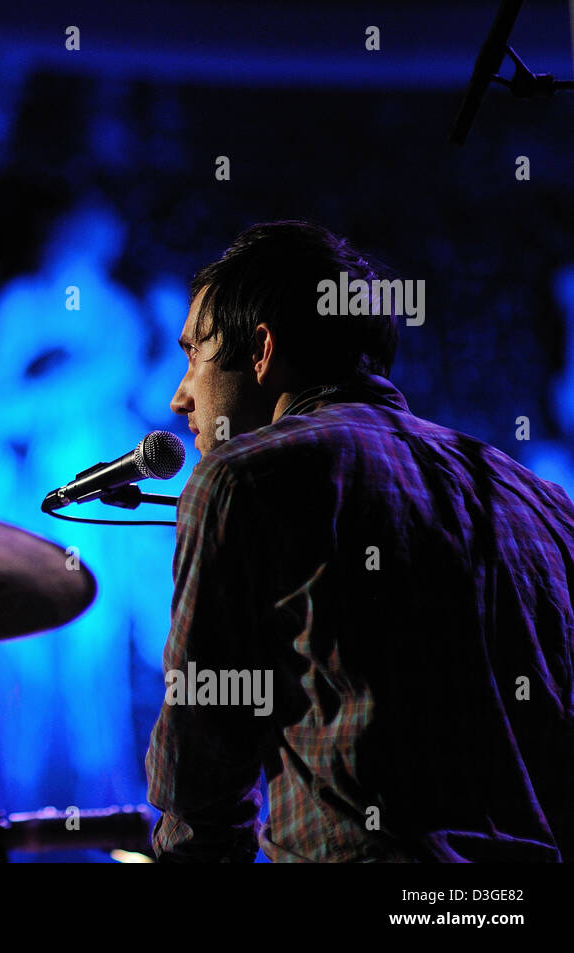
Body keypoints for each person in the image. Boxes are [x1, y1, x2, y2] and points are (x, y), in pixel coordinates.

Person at [145, 221, 574, 862]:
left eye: (193, 354)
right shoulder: (545, 504)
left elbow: (201, 781)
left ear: (261, 350)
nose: (180, 397)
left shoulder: (242, 477)